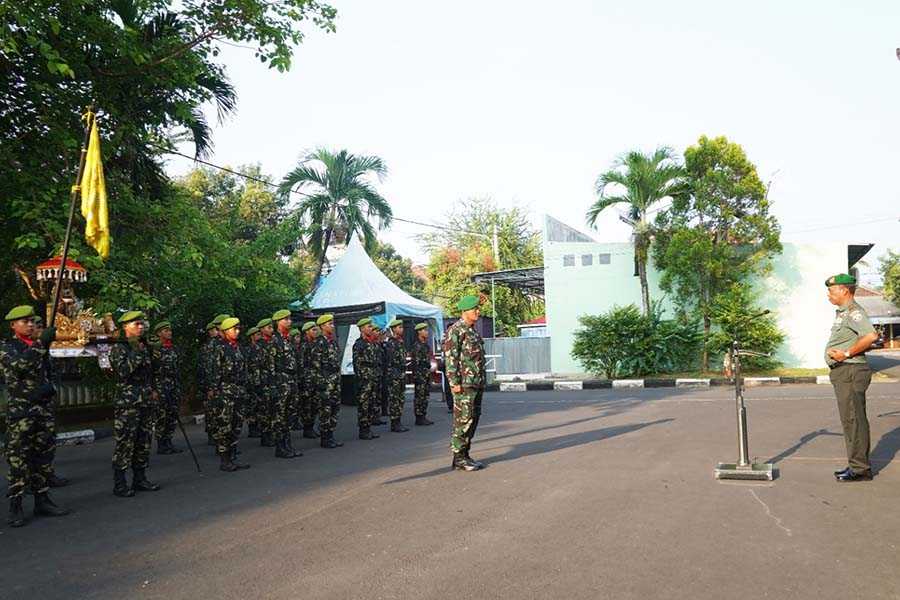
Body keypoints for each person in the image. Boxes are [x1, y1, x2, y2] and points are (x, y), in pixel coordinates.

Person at [2, 305, 70, 527]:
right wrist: (42, 343)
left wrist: (51, 387)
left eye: (32, 321)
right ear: (13, 325)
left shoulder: (40, 347)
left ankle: (43, 499)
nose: (30, 324)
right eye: (24, 321)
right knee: (19, 459)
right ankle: (16, 505)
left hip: (43, 410)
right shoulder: (7, 347)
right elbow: (20, 366)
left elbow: (50, 371)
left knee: (43, 457)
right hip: (21, 413)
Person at [824, 273, 880, 482]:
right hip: (844, 371)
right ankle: (856, 464)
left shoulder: (854, 312)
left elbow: (871, 336)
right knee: (850, 419)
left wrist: (846, 353)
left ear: (844, 290)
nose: (828, 295)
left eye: (831, 290)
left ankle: (860, 469)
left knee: (854, 419)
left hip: (850, 370)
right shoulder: (843, 313)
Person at [109, 310, 161, 496]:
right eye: (135, 324)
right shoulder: (120, 347)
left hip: (145, 400)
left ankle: (140, 478)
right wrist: (138, 351)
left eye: (141, 324)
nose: (140, 327)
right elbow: (124, 371)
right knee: (125, 442)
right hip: (128, 402)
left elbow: (151, 372)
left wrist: (154, 351)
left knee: (143, 441)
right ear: (125, 327)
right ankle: (120, 483)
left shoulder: (143, 345)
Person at [445, 295, 486, 472]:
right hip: (464, 384)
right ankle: (459, 457)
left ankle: (465, 454)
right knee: (463, 420)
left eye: (478, 308)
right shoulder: (456, 330)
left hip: (476, 382)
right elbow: (450, 358)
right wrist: (454, 382)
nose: (477, 311)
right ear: (465, 311)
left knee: (473, 418)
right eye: (474, 309)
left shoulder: (472, 330)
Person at [30, 315, 69, 487]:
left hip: (46, 403)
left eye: (40, 325)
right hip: (28, 406)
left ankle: (47, 473)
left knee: (47, 442)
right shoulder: (23, 349)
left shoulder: (44, 349)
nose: (38, 329)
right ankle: (31, 479)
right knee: (29, 446)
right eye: (36, 325)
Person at [208, 317, 251, 472]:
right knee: (224, 426)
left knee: (236, 425)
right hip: (225, 391)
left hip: (238, 390)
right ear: (225, 331)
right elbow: (214, 372)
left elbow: (244, 369)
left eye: (239, 328)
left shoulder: (238, 347)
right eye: (234, 329)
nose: (237, 331)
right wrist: (215, 391)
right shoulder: (219, 348)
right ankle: (224, 460)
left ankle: (232, 457)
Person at [270, 309, 301, 458]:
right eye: (285, 319)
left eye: (290, 319)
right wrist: (273, 386)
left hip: (290, 380)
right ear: (278, 322)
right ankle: (280, 447)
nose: (289, 321)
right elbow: (270, 366)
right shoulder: (274, 340)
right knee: (279, 416)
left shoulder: (287, 339)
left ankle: (287, 444)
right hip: (280, 382)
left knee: (289, 415)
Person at [151, 321, 184, 455]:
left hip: (173, 385)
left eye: (169, 330)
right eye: (165, 331)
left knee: (172, 414)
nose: (169, 333)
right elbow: (151, 371)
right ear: (159, 333)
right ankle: (161, 443)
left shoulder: (173, 348)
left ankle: (169, 440)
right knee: (162, 415)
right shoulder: (155, 350)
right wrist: (153, 389)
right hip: (160, 385)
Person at [311, 314, 343, 448]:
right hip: (325, 381)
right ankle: (325, 437)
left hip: (334, 379)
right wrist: (321, 384)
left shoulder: (333, 342)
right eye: (330, 324)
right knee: (326, 409)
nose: (332, 326)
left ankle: (331, 434)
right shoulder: (319, 343)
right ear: (322, 326)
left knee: (335, 408)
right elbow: (315, 366)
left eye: (333, 323)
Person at [351, 317, 381, 440]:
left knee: (370, 404)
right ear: (362, 329)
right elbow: (357, 364)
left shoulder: (371, 344)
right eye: (369, 327)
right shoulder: (359, 344)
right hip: (365, 379)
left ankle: (368, 428)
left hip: (372, 377)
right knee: (364, 405)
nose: (371, 328)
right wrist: (362, 379)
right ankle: (363, 430)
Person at [383, 319, 409, 433]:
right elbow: (390, 361)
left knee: (400, 399)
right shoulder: (391, 343)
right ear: (393, 329)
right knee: (394, 399)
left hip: (400, 374)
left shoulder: (400, 342)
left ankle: (398, 421)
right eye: (399, 327)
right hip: (394, 374)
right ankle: (395, 422)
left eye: (402, 327)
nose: (401, 329)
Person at [256, 318, 278, 448]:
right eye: (268, 328)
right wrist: (258, 384)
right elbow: (255, 366)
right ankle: (265, 435)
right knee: (264, 410)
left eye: (271, 327)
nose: (271, 330)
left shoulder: (272, 343)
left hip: (273, 380)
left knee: (273, 409)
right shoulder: (258, 345)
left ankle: (271, 434)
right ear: (262, 329)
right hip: (263, 382)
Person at [299, 321, 321, 439]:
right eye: (313, 330)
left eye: (316, 329)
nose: (316, 332)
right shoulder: (304, 345)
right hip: (307, 379)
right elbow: (301, 364)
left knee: (314, 405)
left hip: (315, 378)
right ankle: (307, 428)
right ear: (307, 332)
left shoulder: (316, 344)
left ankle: (310, 426)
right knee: (307, 405)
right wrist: (303, 380)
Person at [411, 323, 435, 426]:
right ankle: (419, 417)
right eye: (424, 330)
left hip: (425, 374)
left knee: (425, 396)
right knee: (420, 396)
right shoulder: (417, 346)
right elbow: (416, 363)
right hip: (420, 375)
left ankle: (423, 416)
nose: (427, 332)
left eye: (426, 330)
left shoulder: (425, 345)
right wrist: (417, 376)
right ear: (419, 332)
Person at [243, 326, 262, 438]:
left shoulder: (261, 348)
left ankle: (258, 425)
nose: (259, 336)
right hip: (251, 381)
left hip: (260, 380)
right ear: (252, 336)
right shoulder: (248, 350)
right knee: (252, 405)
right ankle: (252, 427)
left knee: (260, 405)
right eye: (257, 334)